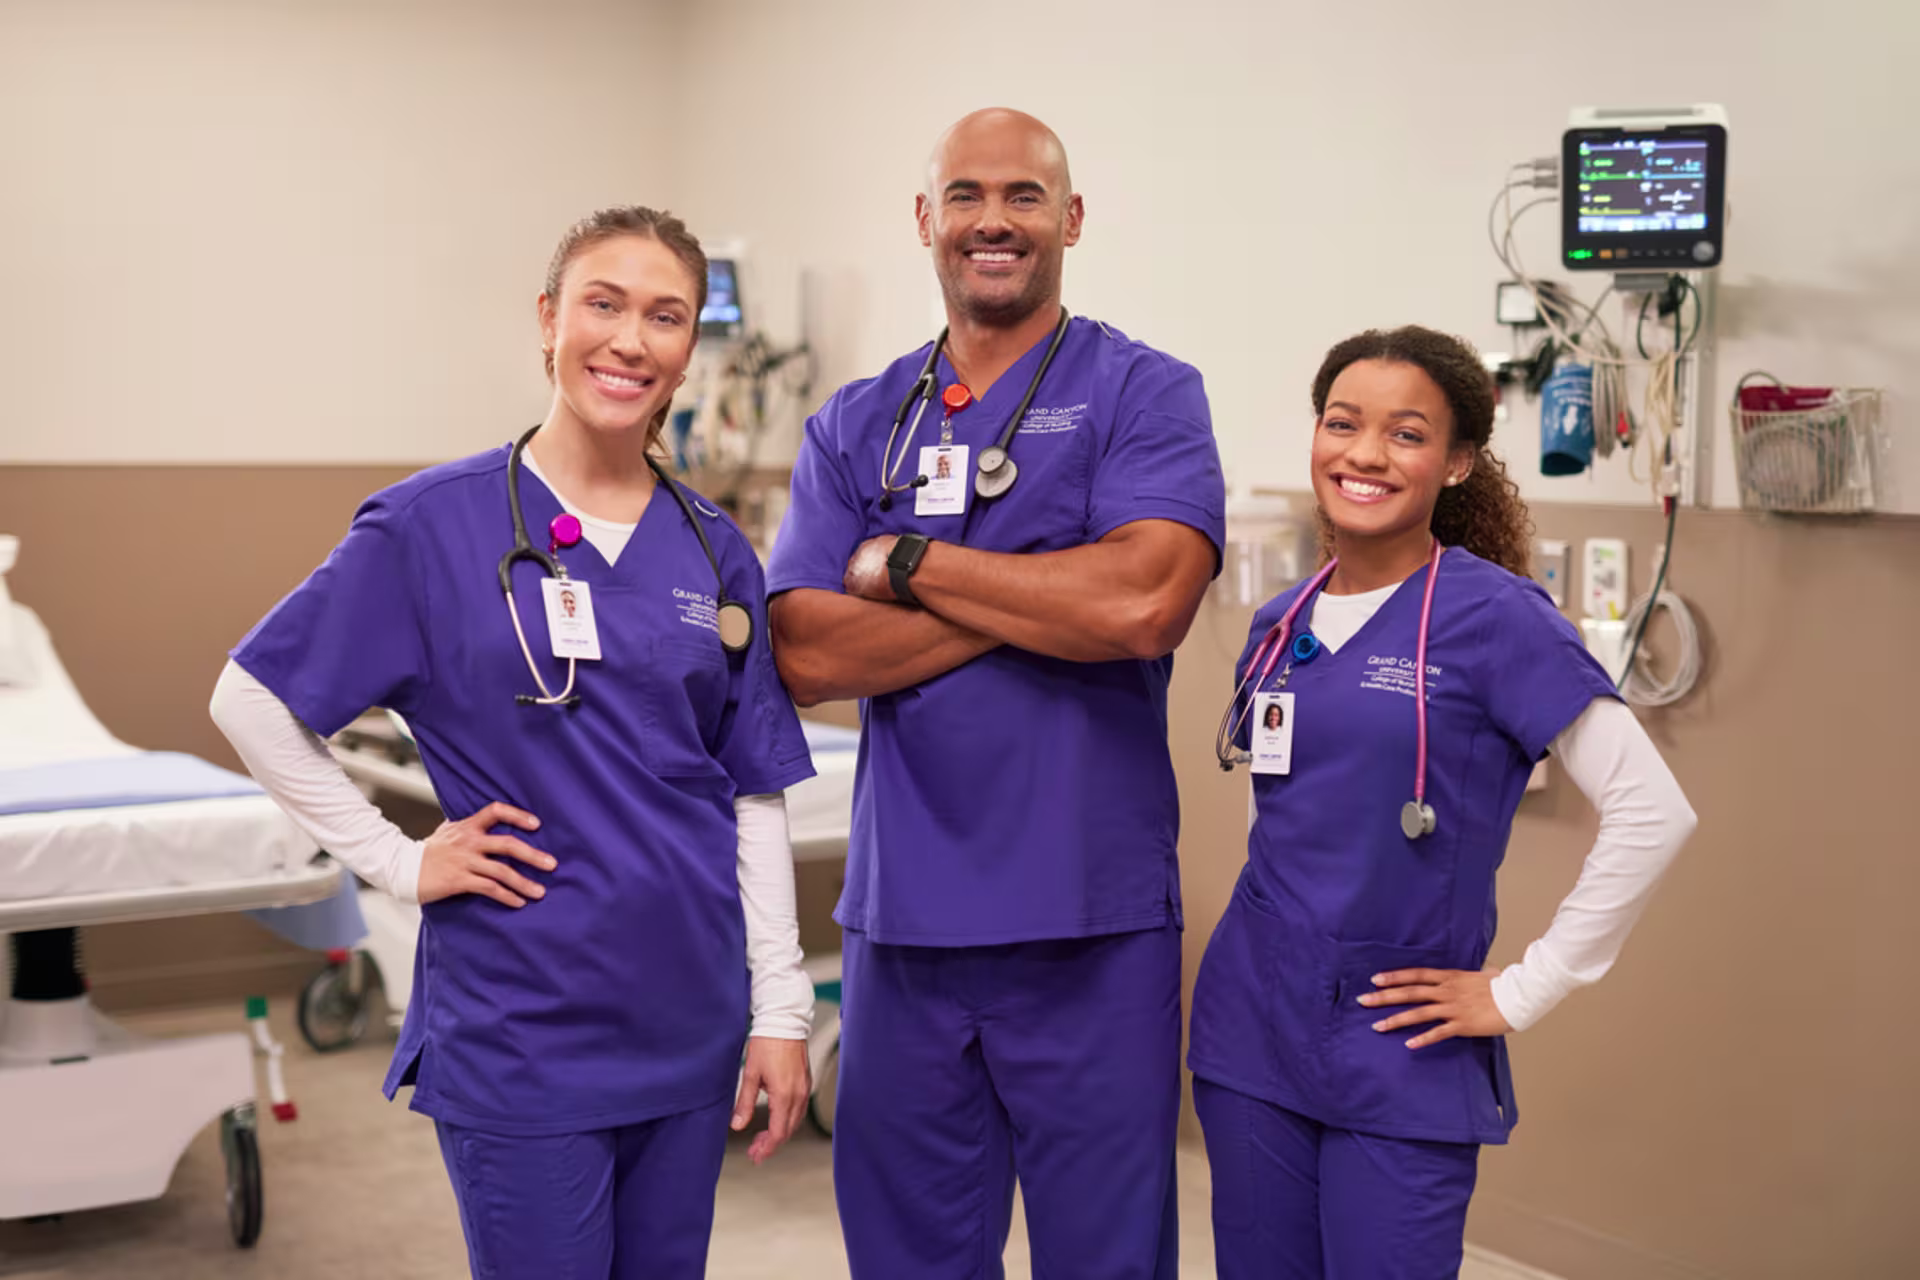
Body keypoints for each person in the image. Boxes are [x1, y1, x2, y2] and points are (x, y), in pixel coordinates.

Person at [209, 206, 817, 1278]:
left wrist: (778, 1008)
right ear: (548, 322)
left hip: (689, 1017)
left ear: (688, 347)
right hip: (526, 1023)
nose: (632, 339)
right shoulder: (428, 527)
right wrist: (399, 861)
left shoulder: (713, 548)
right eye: (604, 304)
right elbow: (251, 700)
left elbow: (752, 788)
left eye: (665, 315)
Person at [767, 108, 1225, 1279]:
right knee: (908, 1253)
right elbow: (806, 650)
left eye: (1024, 195)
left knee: (1105, 1256)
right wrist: (1041, 594)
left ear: (1070, 220)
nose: (993, 220)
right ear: (927, 222)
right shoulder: (856, 422)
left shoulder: (1145, 391)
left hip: (1091, 921)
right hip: (905, 920)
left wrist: (913, 565)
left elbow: (1142, 605)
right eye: (965, 195)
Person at [1188, 326, 1698, 1279]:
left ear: (1459, 462)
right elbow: (1280, 811)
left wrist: (1522, 989)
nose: (1366, 454)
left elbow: (1654, 811)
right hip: (1251, 1027)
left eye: (1407, 434)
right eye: (1343, 424)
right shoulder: (1280, 622)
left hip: (1400, 1041)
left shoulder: (1498, 619)